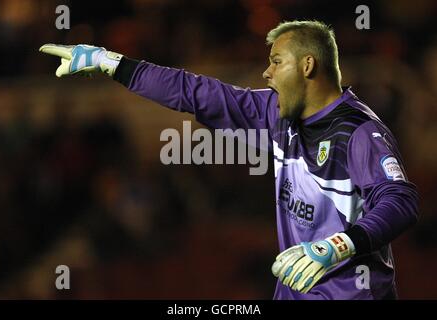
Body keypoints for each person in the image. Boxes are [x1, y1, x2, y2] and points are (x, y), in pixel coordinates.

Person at [40, 20, 419, 300]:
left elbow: (400, 201)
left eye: (276, 62)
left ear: (307, 67)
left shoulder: (359, 132)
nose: (266, 73)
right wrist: (113, 63)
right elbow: (196, 92)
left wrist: (338, 246)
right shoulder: (276, 111)